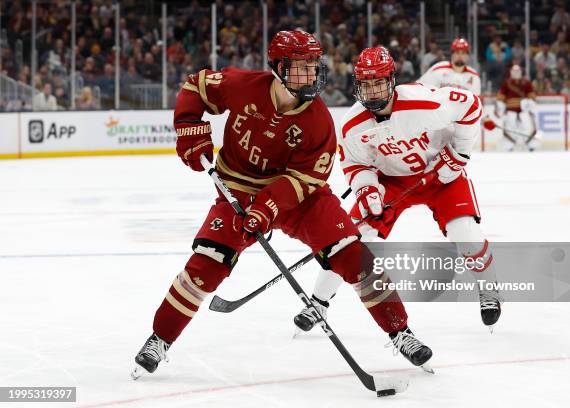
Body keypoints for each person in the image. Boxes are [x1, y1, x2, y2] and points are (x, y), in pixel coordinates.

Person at [132, 31, 432, 380]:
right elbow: (196, 86)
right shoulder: (241, 85)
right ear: (277, 67)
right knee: (206, 264)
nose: (312, 75)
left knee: (354, 254)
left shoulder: (318, 121)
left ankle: (400, 331)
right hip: (239, 192)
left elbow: (307, 180)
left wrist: (268, 206)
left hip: (300, 199)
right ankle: (160, 338)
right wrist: (188, 126)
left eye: (314, 66)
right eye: (301, 67)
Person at [293, 46, 501, 335]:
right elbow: (355, 163)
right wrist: (367, 189)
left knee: (464, 232)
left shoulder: (423, 102)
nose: (373, 91)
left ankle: (488, 288)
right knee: (346, 240)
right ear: (357, 86)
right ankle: (318, 303)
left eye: (379, 82)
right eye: (366, 84)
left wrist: (459, 154)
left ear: (391, 80)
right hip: (390, 181)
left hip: (440, 175)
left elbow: (470, 104)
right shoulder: (353, 124)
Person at [486, 65, 539, 151]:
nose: (516, 73)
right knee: (510, 128)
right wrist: (500, 105)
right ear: (511, 72)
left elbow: (532, 96)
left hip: (524, 111)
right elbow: (501, 97)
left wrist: (529, 103)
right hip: (510, 111)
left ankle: (531, 144)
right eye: (514, 72)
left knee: (528, 127)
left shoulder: (526, 83)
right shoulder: (506, 83)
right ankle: (509, 145)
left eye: (517, 72)